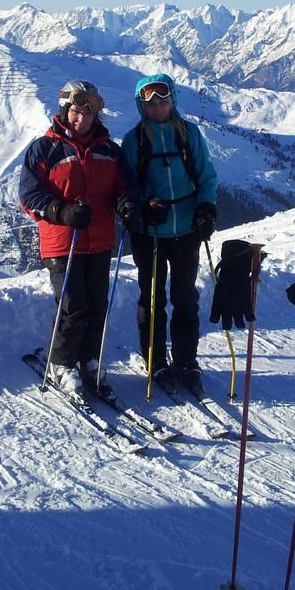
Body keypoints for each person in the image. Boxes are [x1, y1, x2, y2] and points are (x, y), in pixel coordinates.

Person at [19, 80, 125, 396]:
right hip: (62, 242)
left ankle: (89, 359)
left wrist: (127, 204)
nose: (81, 120)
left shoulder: (109, 150)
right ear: (65, 111)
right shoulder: (44, 149)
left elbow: (122, 188)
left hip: (100, 239)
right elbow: (28, 195)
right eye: (76, 112)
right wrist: (60, 211)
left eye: (87, 114)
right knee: (72, 305)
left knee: (96, 304)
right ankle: (61, 363)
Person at [117, 73, 218, 396]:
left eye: (163, 100)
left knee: (185, 298)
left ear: (172, 99)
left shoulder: (189, 135)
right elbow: (128, 185)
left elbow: (206, 176)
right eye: (150, 102)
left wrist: (206, 209)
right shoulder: (135, 141)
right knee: (152, 299)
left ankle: (186, 360)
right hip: (151, 232)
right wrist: (144, 205)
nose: (158, 106)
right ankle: (155, 359)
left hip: (187, 228)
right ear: (141, 106)